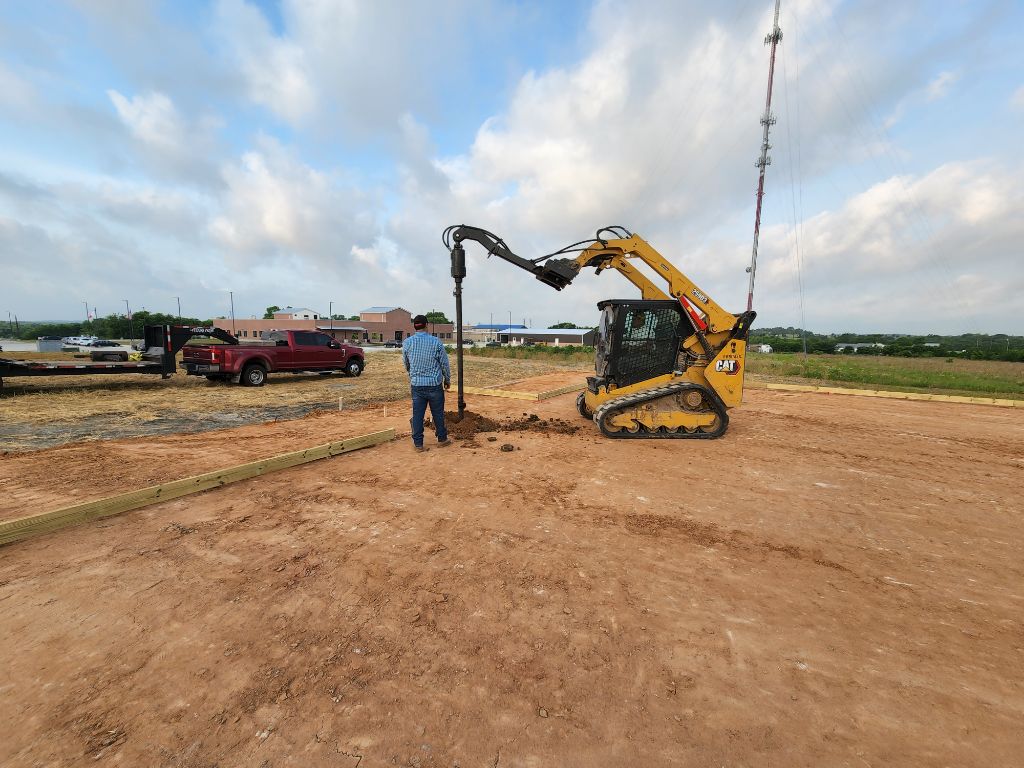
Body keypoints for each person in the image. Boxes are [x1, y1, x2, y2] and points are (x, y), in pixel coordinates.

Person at [402, 315, 452, 452]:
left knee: (417, 414)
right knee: (438, 413)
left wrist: (412, 374)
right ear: (426, 325)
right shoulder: (436, 342)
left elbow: (406, 363)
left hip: (417, 385)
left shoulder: (407, 343)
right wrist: (447, 379)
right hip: (434, 384)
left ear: (415, 326)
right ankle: (442, 439)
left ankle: (418, 444)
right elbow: (444, 363)